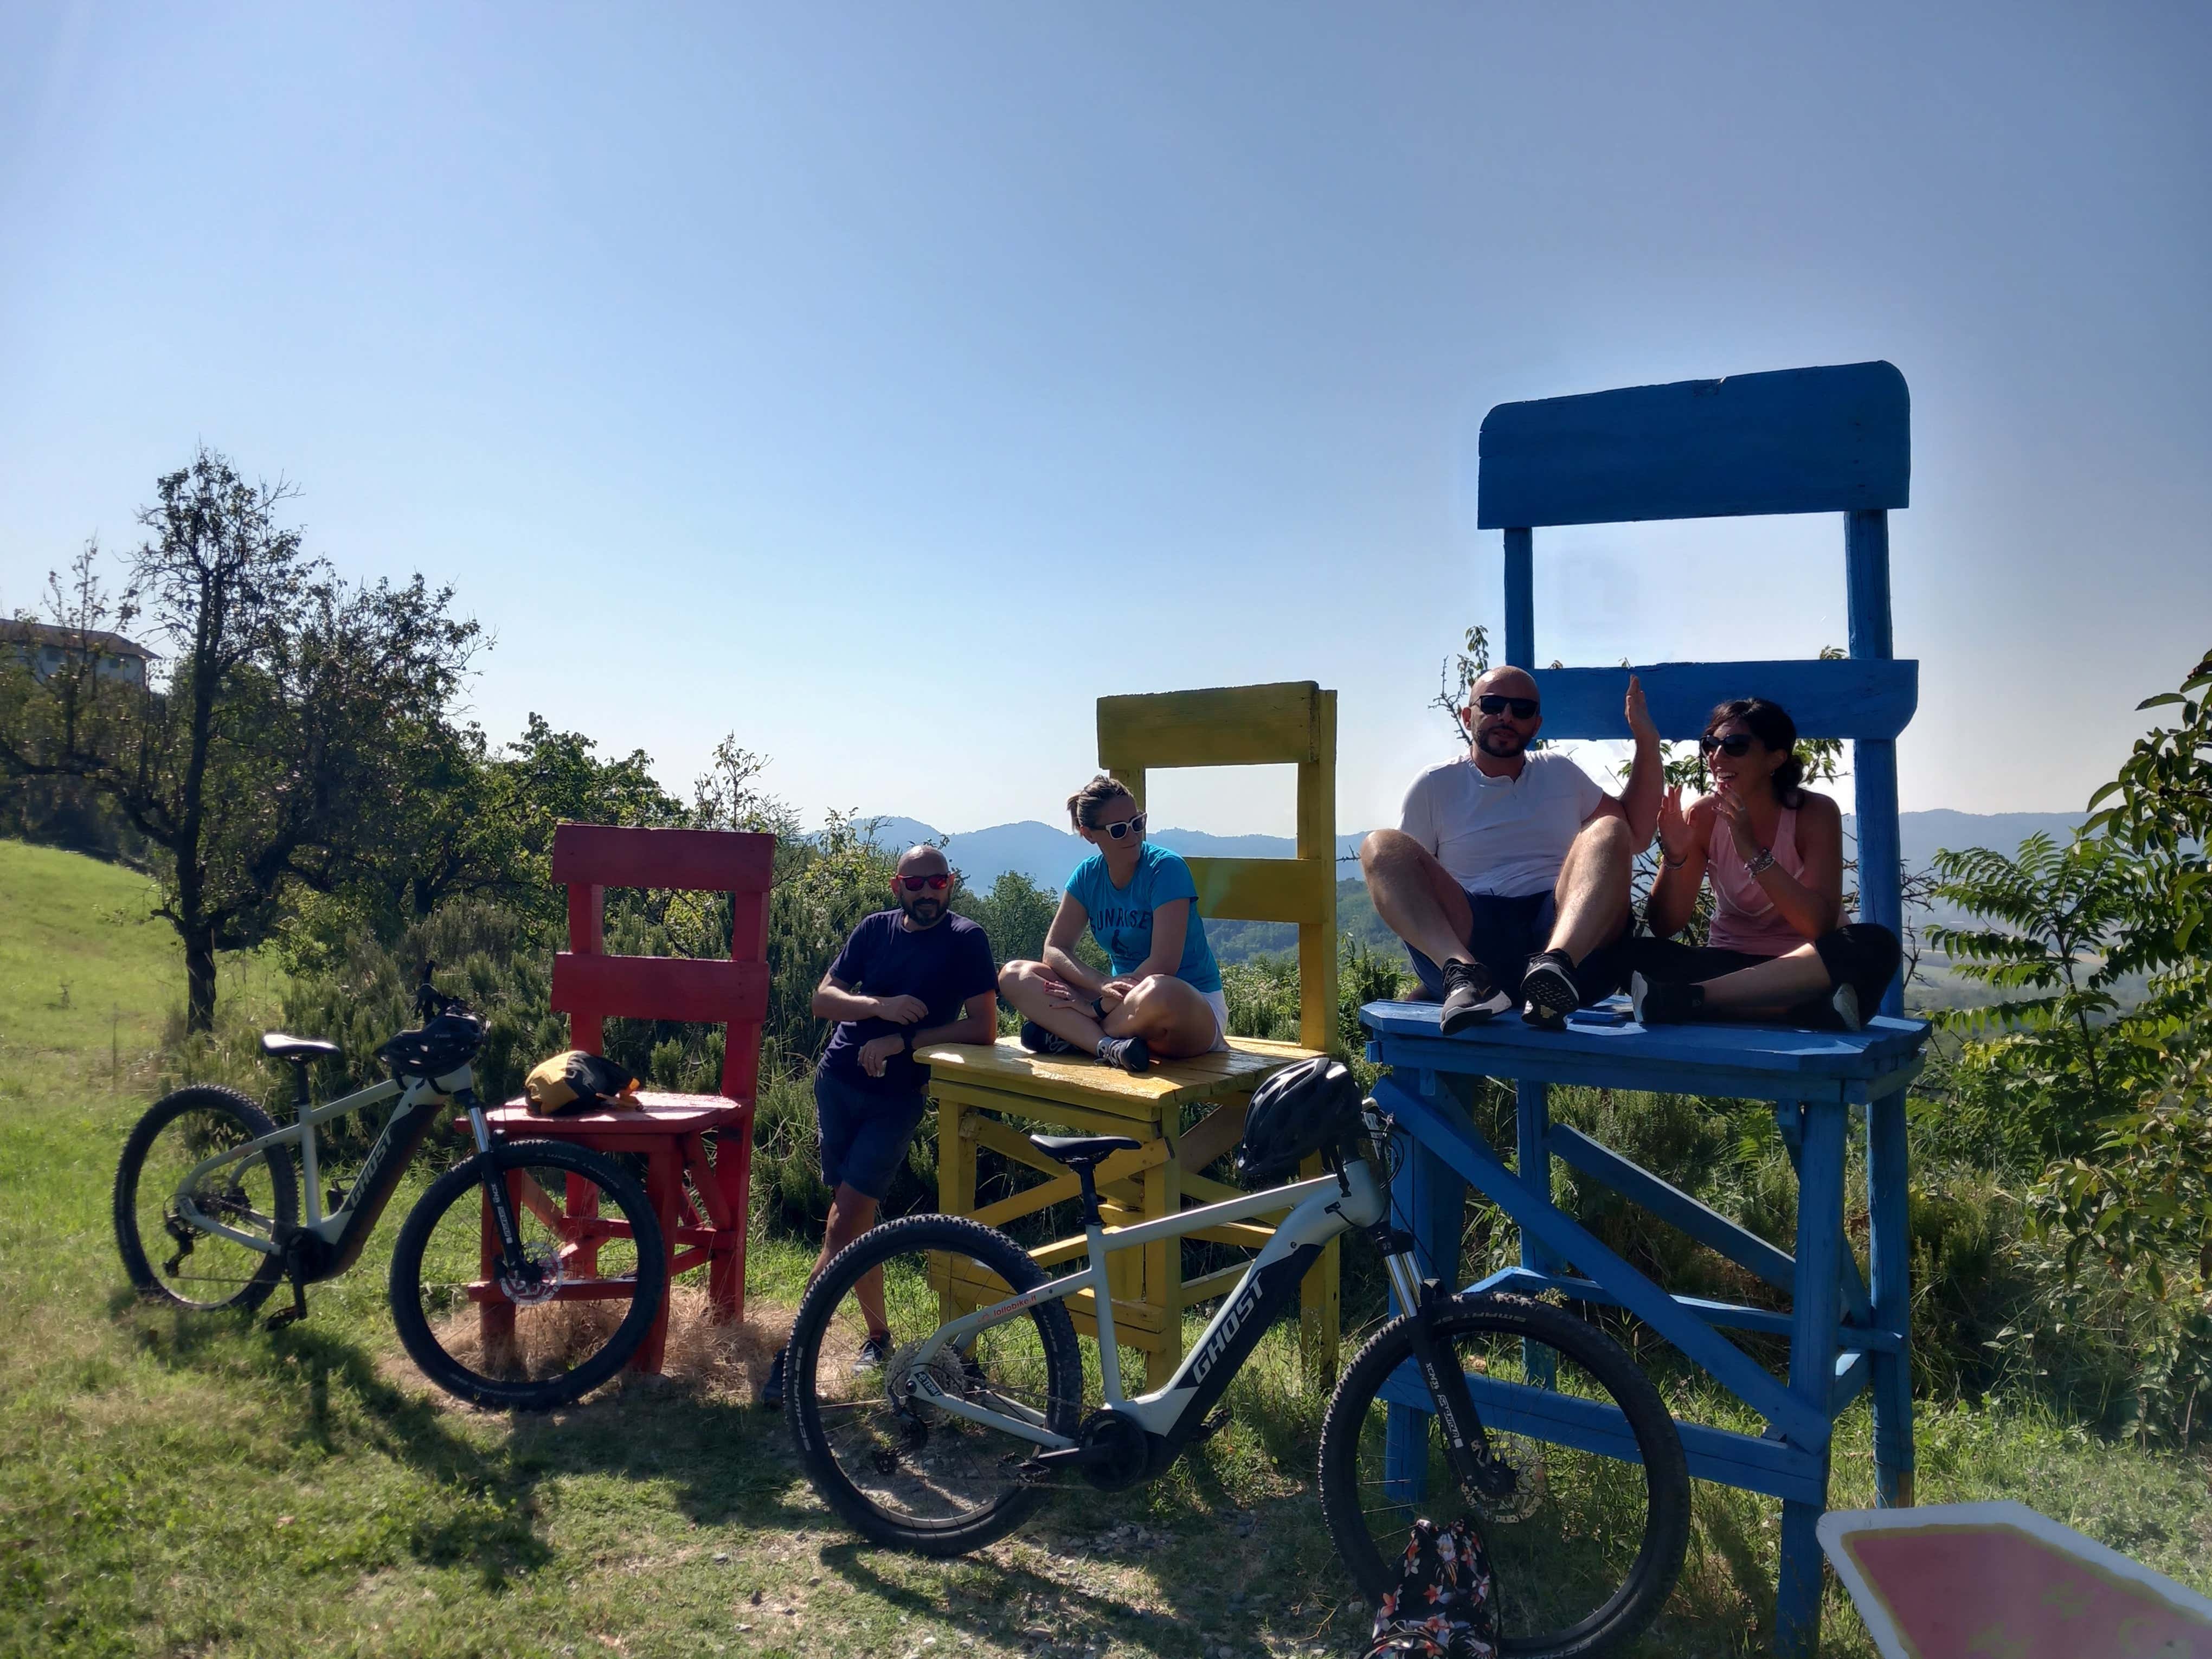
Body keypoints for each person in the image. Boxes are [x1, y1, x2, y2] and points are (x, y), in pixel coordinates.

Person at [760, 845, 998, 1410]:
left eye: (937, 881)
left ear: (951, 883)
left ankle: (793, 1357)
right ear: (897, 887)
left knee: (843, 1224)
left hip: (897, 1098)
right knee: (853, 1222)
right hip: (837, 1083)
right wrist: (879, 1007)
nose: (928, 892)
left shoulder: (967, 939)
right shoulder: (874, 929)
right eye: (916, 883)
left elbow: (983, 1027)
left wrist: (904, 1040)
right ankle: (878, 1338)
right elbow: (823, 1000)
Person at [1361, 666, 1661, 1032]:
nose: (1506, 716)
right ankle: (1464, 977)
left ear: (1536, 726)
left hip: (1567, 937)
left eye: (1521, 709)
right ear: (1468, 716)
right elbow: (1411, 889)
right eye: (1492, 705)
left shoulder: (1560, 772)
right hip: (1474, 939)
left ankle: (1554, 971)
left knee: (1610, 827)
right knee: (1380, 846)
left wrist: (1647, 742)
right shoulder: (1435, 784)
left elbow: (1634, 835)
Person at [1627, 697, 1900, 1030]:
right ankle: (1805, 1011)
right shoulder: (1702, 816)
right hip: (1728, 965)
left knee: (1875, 945)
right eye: (1710, 744)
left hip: (1808, 966)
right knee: (1634, 955)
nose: (1717, 756)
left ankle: (1691, 999)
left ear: (1776, 758)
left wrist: (1752, 851)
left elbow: (1818, 926)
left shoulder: (1814, 813)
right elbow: (1665, 926)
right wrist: (1675, 858)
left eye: (1735, 746)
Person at [997, 775, 1226, 1073]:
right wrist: (1100, 985)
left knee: (1160, 991)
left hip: (1187, 1008)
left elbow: (1164, 964)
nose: (1132, 835)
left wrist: (1095, 1008)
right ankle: (1107, 1046)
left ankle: (1075, 1036)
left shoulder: (1166, 868)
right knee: (1015, 974)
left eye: (1137, 823)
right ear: (1089, 834)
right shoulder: (1087, 876)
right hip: (1119, 1003)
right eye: (1119, 830)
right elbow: (1055, 949)